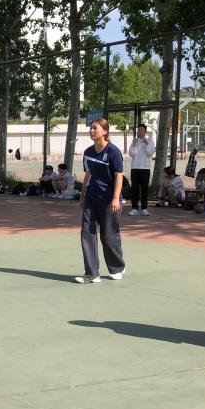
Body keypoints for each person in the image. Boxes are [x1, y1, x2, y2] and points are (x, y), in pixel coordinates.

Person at [77, 117, 125, 284]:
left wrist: (115, 198)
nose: (91, 131)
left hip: (109, 199)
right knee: (87, 232)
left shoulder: (113, 152)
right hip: (91, 197)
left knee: (108, 236)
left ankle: (117, 268)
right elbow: (88, 175)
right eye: (91, 128)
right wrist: (82, 195)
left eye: (95, 128)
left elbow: (119, 175)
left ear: (105, 131)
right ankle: (92, 273)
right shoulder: (88, 152)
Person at [127, 124, 155, 216]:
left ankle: (144, 208)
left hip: (145, 168)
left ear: (145, 131)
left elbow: (150, 153)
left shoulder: (150, 141)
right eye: (138, 130)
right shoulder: (135, 141)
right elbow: (131, 153)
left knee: (144, 189)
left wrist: (146, 143)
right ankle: (134, 208)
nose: (139, 132)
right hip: (135, 168)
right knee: (134, 189)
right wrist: (134, 144)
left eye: (142, 130)